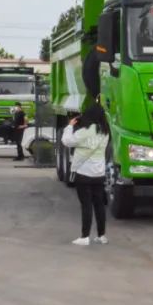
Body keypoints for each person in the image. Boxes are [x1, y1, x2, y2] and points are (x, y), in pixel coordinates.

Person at [62, 103, 111, 246]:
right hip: (99, 173)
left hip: (84, 173)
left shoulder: (85, 131)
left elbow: (67, 141)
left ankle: (84, 237)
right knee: (99, 205)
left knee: (86, 205)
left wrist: (70, 126)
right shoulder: (105, 131)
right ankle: (102, 236)